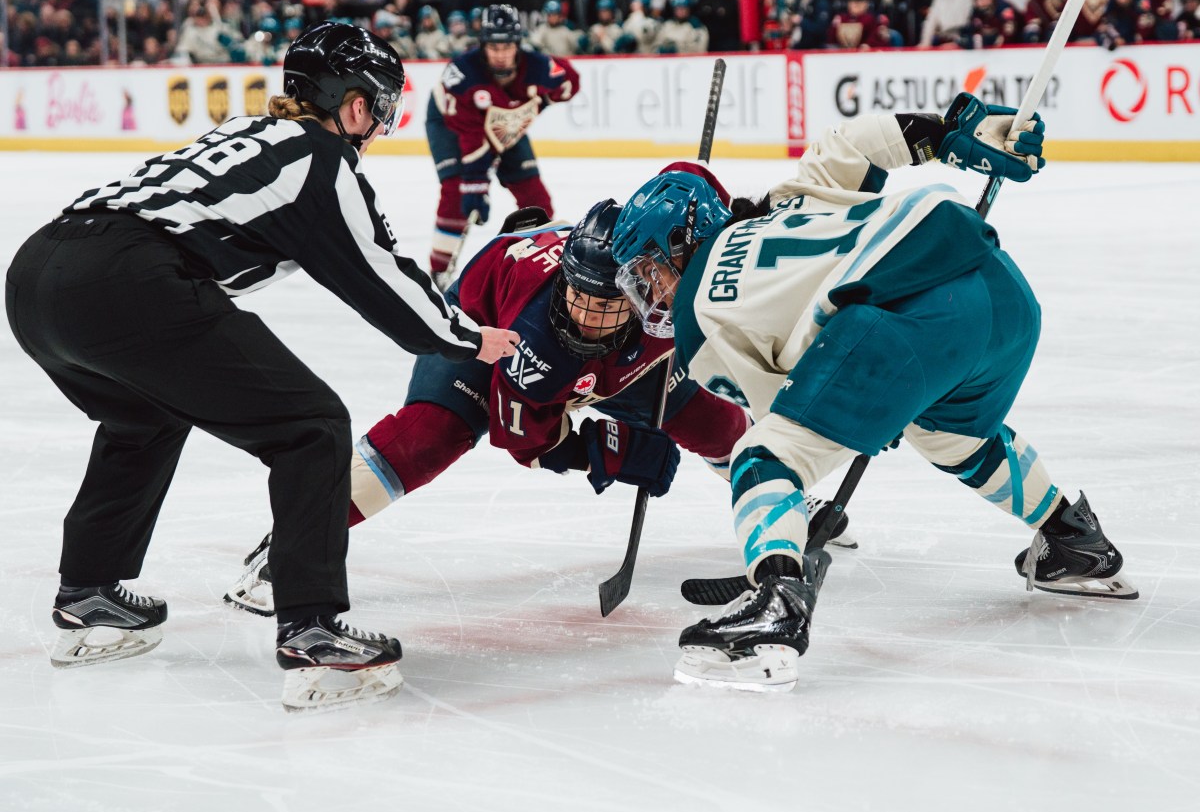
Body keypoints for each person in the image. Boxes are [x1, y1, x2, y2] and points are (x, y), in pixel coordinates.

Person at [4, 21, 520, 712]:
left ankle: (89, 591)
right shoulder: (322, 159)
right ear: (356, 105)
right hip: (127, 280)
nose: (382, 124)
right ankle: (311, 629)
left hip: (37, 272)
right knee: (312, 426)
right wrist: (470, 338)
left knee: (144, 414)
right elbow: (384, 282)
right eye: (381, 106)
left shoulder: (251, 132)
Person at [610, 93, 1138, 692]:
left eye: (649, 272)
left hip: (905, 327)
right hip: (999, 292)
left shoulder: (696, 321)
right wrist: (956, 130)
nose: (649, 295)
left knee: (762, 458)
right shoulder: (791, 198)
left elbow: (783, 418)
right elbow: (855, 144)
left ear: (681, 242)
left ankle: (773, 610)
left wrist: (861, 410)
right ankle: (1074, 538)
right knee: (953, 438)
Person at [223, 197, 856, 616]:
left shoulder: (660, 293)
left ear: (643, 285)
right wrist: (607, 452)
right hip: (483, 333)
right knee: (429, 436)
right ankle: (289, 547)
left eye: (607, 304)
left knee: (717, 423)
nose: (587, 317)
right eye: (580, 299)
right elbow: (524, 440)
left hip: (620, 357)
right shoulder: (539, 339)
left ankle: (780, 503)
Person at [426, 4, 580, 288]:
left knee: (535, 196)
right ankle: (440, 271)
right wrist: (475, 184)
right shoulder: (462, 74)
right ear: (482, 45)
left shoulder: (537, 66)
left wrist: (547, 98)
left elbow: (569, 80)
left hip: (504, 122)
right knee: (457, 193)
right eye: (493, 47)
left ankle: (545, 261)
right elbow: (471, 135)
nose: (500, 54)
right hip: (449, 124)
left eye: (507, 46)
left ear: (518, 45)